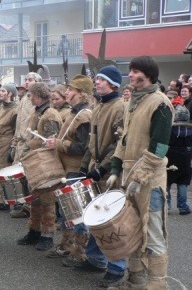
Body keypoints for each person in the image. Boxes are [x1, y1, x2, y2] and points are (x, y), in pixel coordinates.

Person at [106, 56, 173, 289]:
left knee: (152, 233)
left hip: (150, 180)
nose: (131, 75)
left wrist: (140, 177)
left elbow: (160, 147)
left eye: (136, 71)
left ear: (150, 76)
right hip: (128, 176)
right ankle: (135, 281)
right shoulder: (132, 103)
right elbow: (123, 141)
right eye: (131, 71)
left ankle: (156, 285)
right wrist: (115, 169)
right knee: (132, 229)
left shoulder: (161, 103)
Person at [70, 66, 128, 288]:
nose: (97, 83)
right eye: (98, 80)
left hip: (111, 173)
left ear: (113, 84)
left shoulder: (120, 107)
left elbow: (119, 144)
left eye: (102, 80)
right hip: (96, 170)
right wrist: (85, 167)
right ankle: (95, 259)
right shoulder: (98, 106)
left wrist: (103, 168)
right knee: (94, 218)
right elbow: (91, 143)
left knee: (112, 222)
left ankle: (117, 268)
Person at [44, 74, 93, 260]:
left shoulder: (85, 116)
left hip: (75, 170)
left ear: (80, 93)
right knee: (64, 210)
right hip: (66, 168)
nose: (67, 92)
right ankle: (67, 245)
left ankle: (81, 252)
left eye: (70, 89)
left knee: (76, 213)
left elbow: (82, 147)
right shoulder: (75, 112)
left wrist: (57, 144)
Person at [16, 82, 62, 251]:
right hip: (36, 160)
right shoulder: (39, 112)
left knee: (47, 199)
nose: (29, 98)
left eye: (30, 95)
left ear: (38, 96)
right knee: (35, 198)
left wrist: (33, 146)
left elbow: (50, 140)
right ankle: (34, 231)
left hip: (46, 162)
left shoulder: (49, 115)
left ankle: (47, 235)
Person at [9, 72, 42, 218]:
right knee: (19, 174)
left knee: (29, 175)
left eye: (31, 80)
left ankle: (29, 206)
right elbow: (19, 123)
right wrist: (14, 142)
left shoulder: (38, 100)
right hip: (20, 142)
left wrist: (30, 142)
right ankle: (23, 204)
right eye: (26, 79)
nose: (27, 82)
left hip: (30, 143)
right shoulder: (24, 99)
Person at [0, 83, 18, 211]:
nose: (0, 93)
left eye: (3, 91)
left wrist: (12, 147)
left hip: (7, 142)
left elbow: (16, 130)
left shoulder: (15, 110)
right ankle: (0, 201)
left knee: (6, 174)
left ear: (10, 94)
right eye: (0, 90)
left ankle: (9, 202)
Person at [166, 97, 192, 215]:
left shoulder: (170, 129)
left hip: (170, 155)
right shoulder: (190, 130)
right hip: (186, 157)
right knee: (183, 182)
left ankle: (167, 205)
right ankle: (182, 206)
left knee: (167, 181)